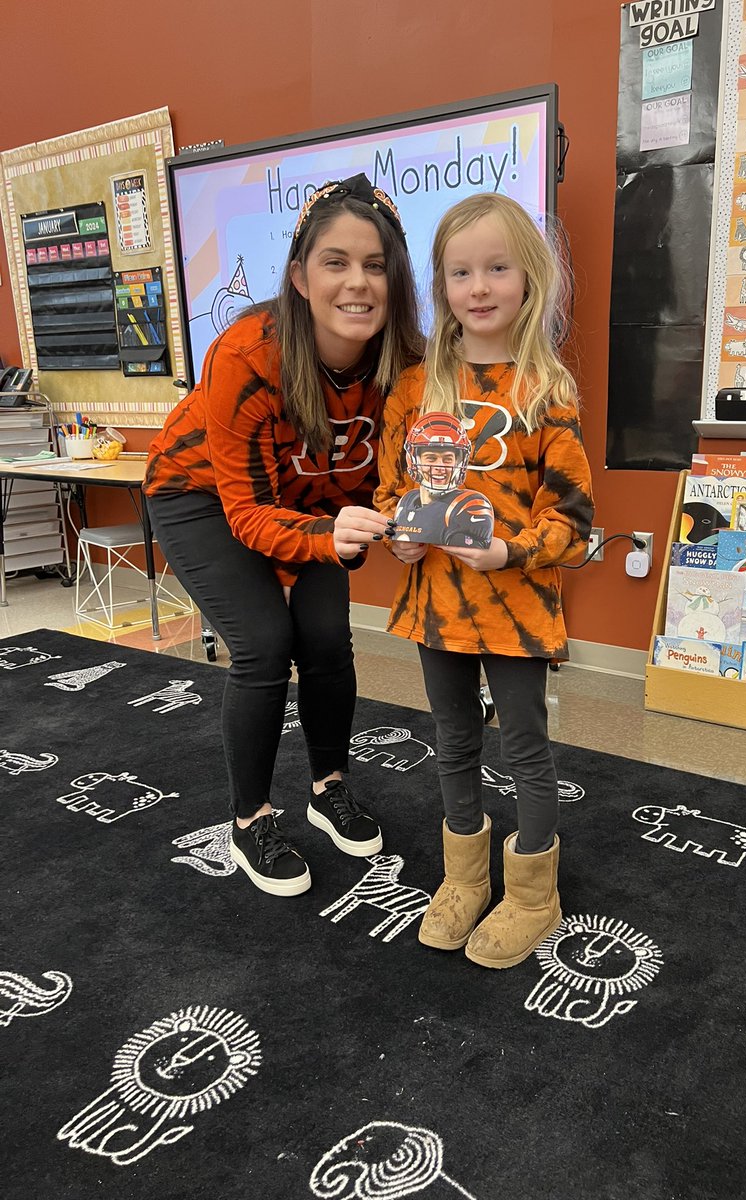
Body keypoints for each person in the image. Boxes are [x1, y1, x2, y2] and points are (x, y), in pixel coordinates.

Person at [144, 174, 422, 897]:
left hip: (318, 506)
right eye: (336, 262)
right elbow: (246, 515)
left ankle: (328, 788)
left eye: (375, 264)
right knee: (266, 643)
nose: (357, 283)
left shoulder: (408, 361)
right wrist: (332, 537)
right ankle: (249, 820)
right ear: (300, 276)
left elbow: (412, 467)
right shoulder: (247, 353)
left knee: (327, 637)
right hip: (200, 496)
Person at [375, 193, 594, 969]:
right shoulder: (414, 386)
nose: (479, 287)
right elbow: (389, 488)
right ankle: (464, 878)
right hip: (436, 606)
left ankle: (534, 891)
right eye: (461, 271)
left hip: (516, 608)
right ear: (441, 284)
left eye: (497, 268)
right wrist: (398, 536)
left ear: (529, 279)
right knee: (452, 739)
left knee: (526, 747)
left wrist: (512, 552)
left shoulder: (546, 390)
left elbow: (572, 517)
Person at [391, 412, 494, 549]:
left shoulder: (468, 505)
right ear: (414, 460)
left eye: (447, 459)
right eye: (431, 458)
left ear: (458, 462)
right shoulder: (408, 500)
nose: (440, 466)